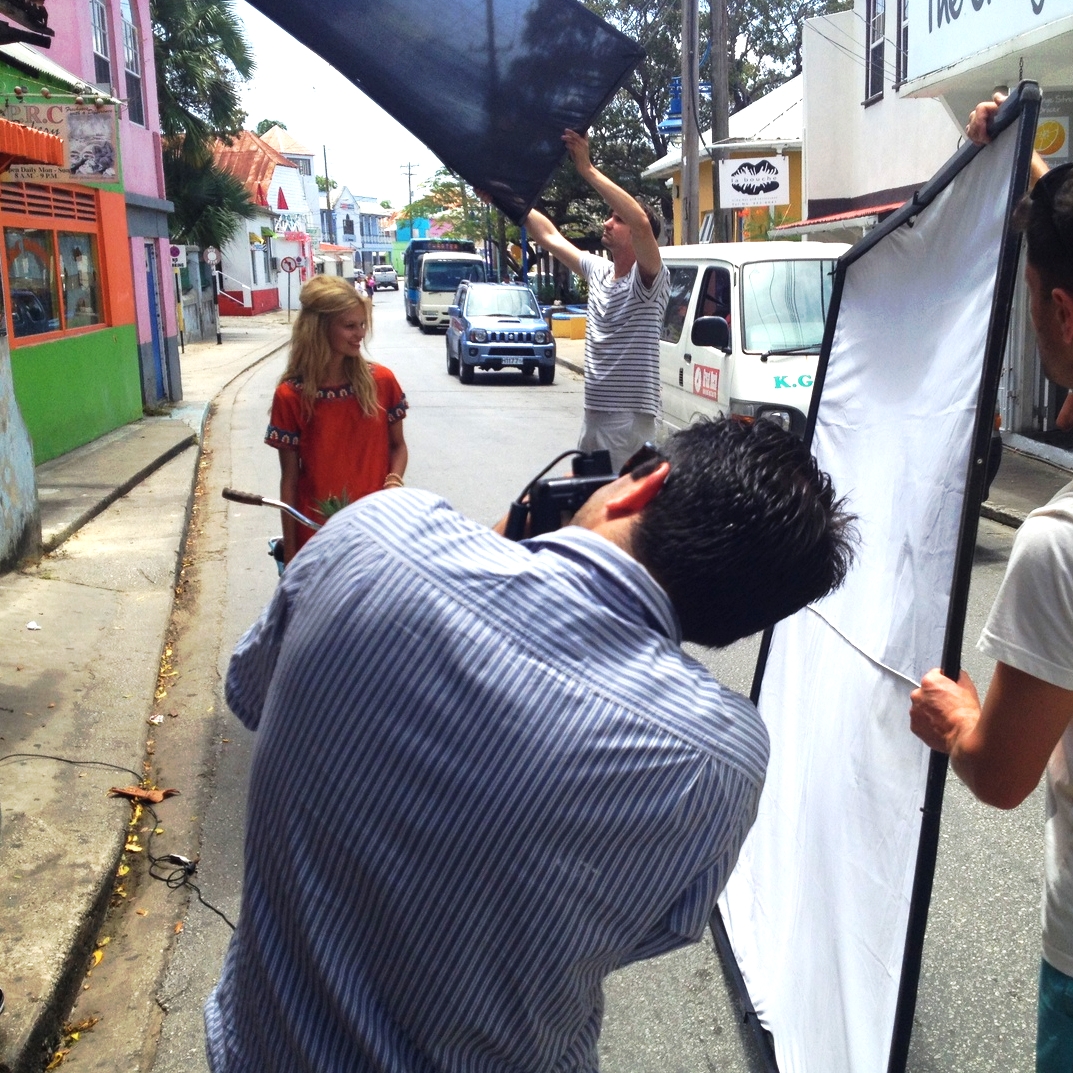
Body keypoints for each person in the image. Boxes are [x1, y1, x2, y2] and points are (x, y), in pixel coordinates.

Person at [205, 417, 856, 1073]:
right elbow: (632, 927)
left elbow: (252, 692)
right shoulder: (721, 759)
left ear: (639, 484)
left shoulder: (378, 535)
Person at [909, 93, 1073, 1071]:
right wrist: (1035, 185)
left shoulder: (1056, 547)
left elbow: (1000, 770)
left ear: (1059, 311)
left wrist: (953, 715)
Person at [523, 129, 670, 471]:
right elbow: (550, 237)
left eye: (617, 219)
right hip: (594, 415)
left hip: (628, 421)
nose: (607, 222)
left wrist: (587, 169)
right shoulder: (600, 272)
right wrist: (513, 202)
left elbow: (640, 222)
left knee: (613, 512)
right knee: (585, 502)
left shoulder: (649, 279)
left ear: (635, 233)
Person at [265, 274, 408, 564]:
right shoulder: (290, 396)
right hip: (317, 536)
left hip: (376, 531)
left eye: (362, 325)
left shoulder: (381, 381)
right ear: (320, 329)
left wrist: (393, 482)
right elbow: (289, 481)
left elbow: (398, 446)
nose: (360, 334)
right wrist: (291, 555)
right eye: (350, 326)